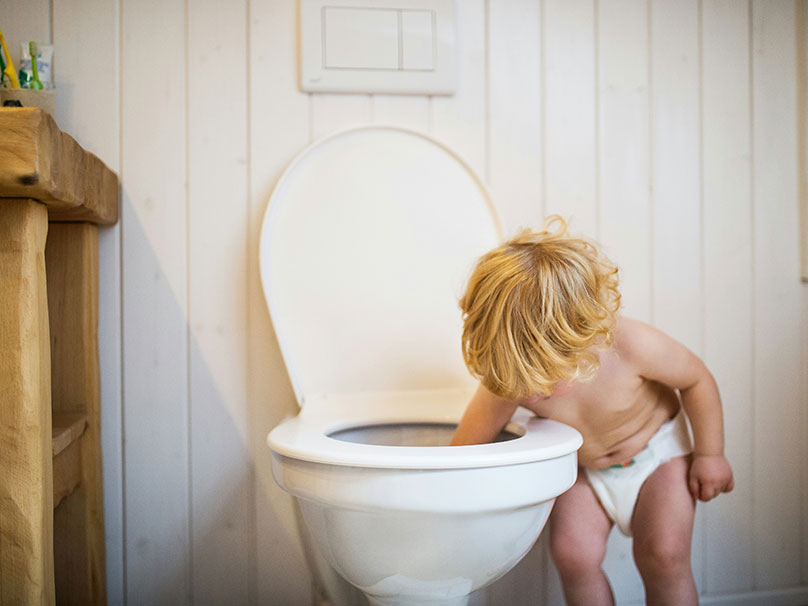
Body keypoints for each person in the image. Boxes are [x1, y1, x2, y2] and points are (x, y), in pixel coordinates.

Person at [451, 217, 734, 606]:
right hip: (586, 470)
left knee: (663, 556)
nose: (534, 390)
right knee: (573, 557)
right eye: (524, 379)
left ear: (584, 334)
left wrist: (710, 454)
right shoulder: (511, 376)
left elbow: (697, 380)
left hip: (658, 458)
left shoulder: (632, 345)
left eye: (548, 373)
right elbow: (466, 447)